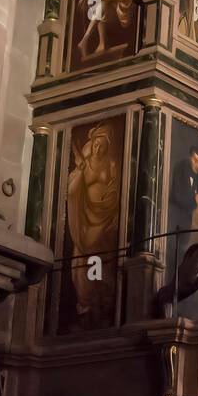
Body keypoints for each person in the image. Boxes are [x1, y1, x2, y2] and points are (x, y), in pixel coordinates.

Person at [66, 123, 120, 328]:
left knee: (98, 260)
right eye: (95, 145)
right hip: (85, 219)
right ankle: (85, 305)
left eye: (102, 145)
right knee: (82, 260)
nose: (98, 149)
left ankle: (101, 304)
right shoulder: (85, 164)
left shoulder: (112, 164)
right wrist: (79, 173)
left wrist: (110, 205)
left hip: (105, 218)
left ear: (107, 146)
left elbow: (116, 190)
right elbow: (72, 192)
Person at [168, 146, 198, 288]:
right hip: (175, 222)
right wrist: (194, 200)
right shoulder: (181, 169)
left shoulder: (196, 174)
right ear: (190, 157)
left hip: (185, 223)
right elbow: (179, 197)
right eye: (195, 160)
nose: (196, 164)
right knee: (175, 257)